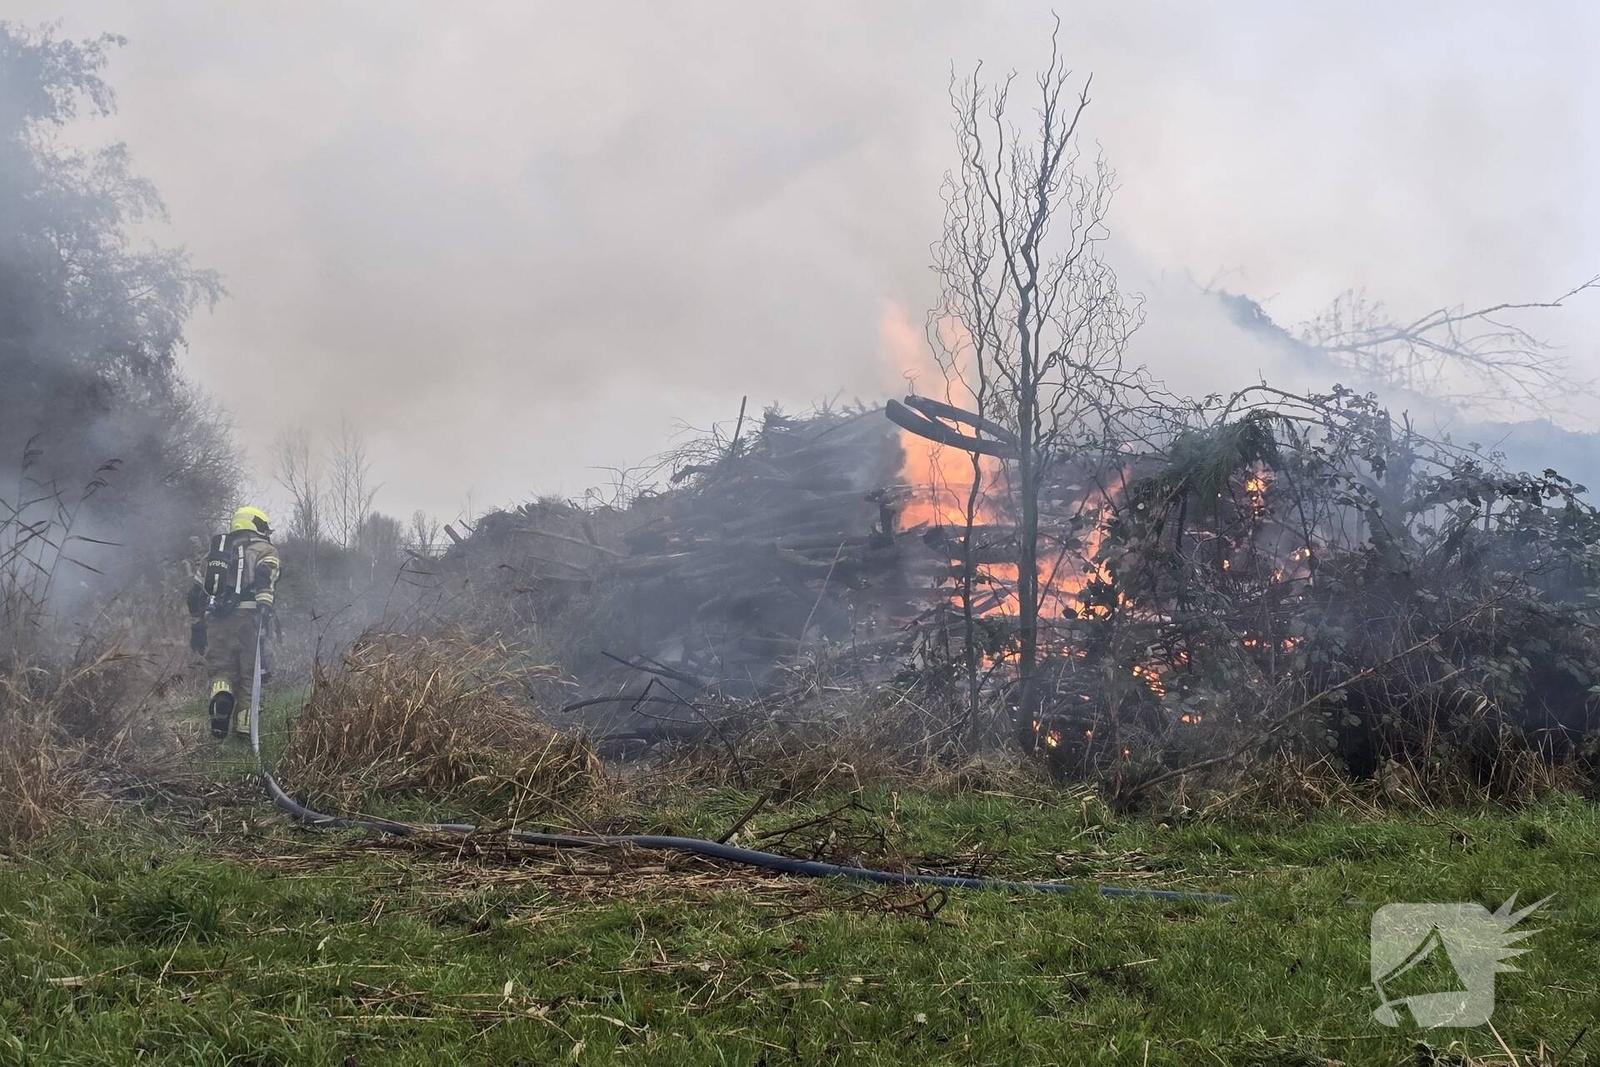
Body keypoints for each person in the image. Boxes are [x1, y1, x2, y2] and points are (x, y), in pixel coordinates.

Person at [187, 506, 280, 739]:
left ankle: (221, 698)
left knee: (221, 669)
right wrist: (264, 608)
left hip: (218, 619)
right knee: (250, 674)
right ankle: (245, 728)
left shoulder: (216, 554)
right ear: (255, 524)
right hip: (250, 618)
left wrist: (197, 625)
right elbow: (264, 578)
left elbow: (194, 594)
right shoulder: (265, 550)